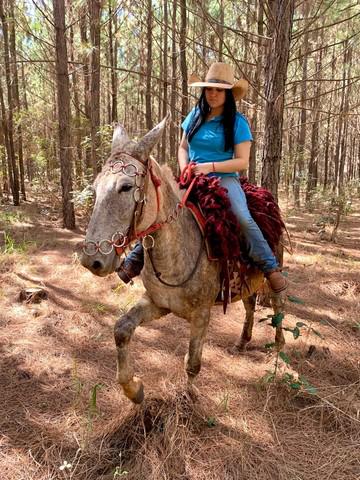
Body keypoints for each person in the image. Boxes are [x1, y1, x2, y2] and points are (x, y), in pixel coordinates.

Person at [118, 62, 287, 293]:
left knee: (242, 216)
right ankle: (135, 261)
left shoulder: (238, 123)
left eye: (218, 90)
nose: (213, 94)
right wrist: (185, 166)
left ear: (228, 93)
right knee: (162, 210)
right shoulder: (195, 116)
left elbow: (242, 161)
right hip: (192, 176)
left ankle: (269, 267)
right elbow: (182, 147)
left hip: (224, 178)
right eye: (209, 89)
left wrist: (210, 167)